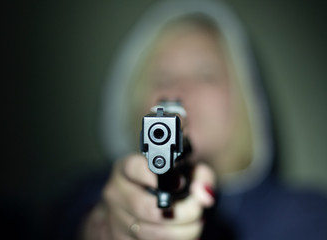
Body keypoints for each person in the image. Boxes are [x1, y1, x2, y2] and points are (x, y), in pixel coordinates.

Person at [57, 1, 327, 239]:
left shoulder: (306, 215)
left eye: (206, 74)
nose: (179, 91)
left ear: (245, 98)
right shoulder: (86, 193)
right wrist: (102, 226)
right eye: (163, 78)